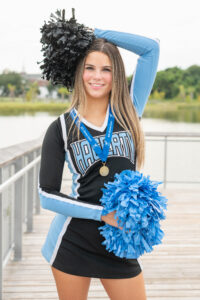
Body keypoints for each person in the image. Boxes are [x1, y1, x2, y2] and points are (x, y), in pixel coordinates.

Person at [38, 27, 160, 300]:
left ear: (115, 75)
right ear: (79, 72)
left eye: (106, 69)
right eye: (90, 67)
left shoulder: (129, 111)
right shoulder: (60, 128)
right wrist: (101, 213)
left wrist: (89, 33)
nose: (97, 76)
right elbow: (46, 195)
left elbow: (151, 48)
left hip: (120, 240)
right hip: (73, 241)